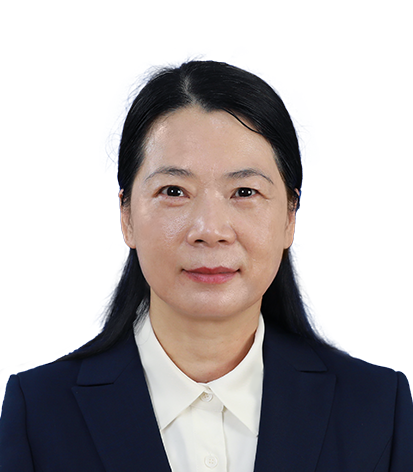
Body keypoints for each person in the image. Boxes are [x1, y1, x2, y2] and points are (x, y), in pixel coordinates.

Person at [0, 60, 412, 471]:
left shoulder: (378, 409)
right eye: (174, 191)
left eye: (244, 191)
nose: (210, 230)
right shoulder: (38, 414)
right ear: (127, 216)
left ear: (290, 216)